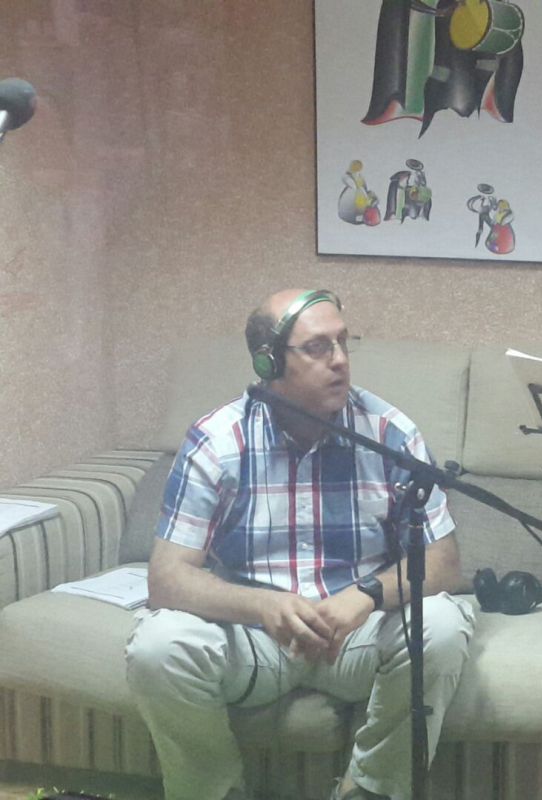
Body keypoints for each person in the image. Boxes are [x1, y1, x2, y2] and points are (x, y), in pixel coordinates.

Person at [125, 289, 475, 800]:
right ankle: (217, 792)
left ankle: (370, 790)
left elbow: (443, 562)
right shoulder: (218, 440)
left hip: (356, 635)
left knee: (440, 624)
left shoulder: (388, 432)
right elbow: (167, 578)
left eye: (344, 342)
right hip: (254, 637)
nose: (340, 360)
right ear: (267, 362)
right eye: (317, 347)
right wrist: (263, 605)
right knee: (159, 646)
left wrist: (364, 597)